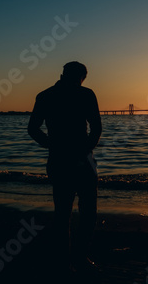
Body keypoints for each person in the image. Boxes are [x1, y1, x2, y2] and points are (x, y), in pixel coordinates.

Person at [27, 61, 102, 274]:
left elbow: (33, 129)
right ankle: (79, 258)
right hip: (82, 160)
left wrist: (51, 144)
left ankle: (66, 261)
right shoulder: (86, 94)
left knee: (63, 213)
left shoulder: (45, 95)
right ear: (81, 77)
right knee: (88, 212)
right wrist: (85, 150)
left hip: (59, 160)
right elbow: (96, 128)